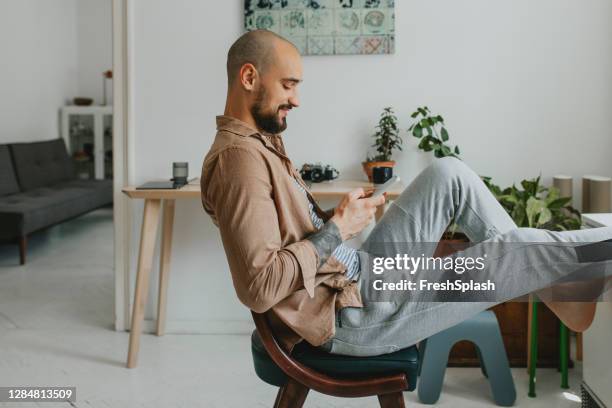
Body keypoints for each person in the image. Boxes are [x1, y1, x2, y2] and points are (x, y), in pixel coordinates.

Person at [200, 30, 612, 357]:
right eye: (288, 85)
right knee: (518, 246)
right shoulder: (238, 159)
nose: (297, 99)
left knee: (448, 173)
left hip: (358, 276)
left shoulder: (260, 144)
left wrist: (339, 218)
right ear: (249, 77)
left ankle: (565, 292)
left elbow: (288, 237)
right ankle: (595, 260)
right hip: (350, 317)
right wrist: (338, 230)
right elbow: (258, 286)